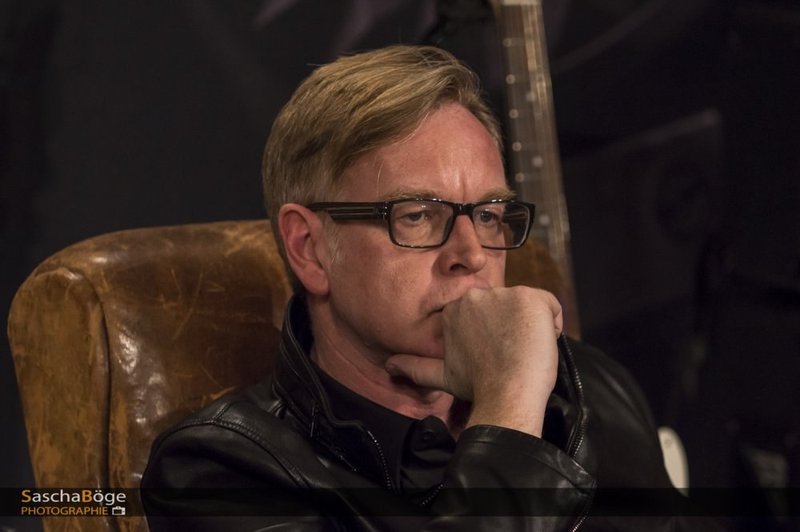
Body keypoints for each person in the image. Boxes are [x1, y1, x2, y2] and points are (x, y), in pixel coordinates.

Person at [142, 45, 723, 531]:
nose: (472, 255)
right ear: (310, 248)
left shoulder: (592, 387)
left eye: (489, 215)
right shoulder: (219, 470)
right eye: (418, 215)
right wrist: (510, 407)